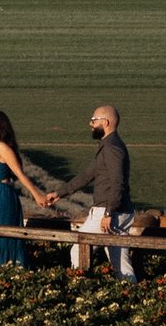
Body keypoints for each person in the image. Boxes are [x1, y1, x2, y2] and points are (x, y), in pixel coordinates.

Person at [45, 104, 135, 280]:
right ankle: (132, 291)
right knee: (120, 264)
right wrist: (60, 193)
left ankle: (82, 286)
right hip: (118, 211)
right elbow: (87, 175)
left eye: (94, 120)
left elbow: (118, 184)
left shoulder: (112, 149)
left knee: (79, 250)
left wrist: (108, 213)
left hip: (108, 212)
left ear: (106, 122)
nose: (90, 123)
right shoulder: (109, 147)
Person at [0, 110, 50, 269]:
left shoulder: (2, 148)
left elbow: (20, 173)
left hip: (0, 198)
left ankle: (2, 270)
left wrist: (37, 195)